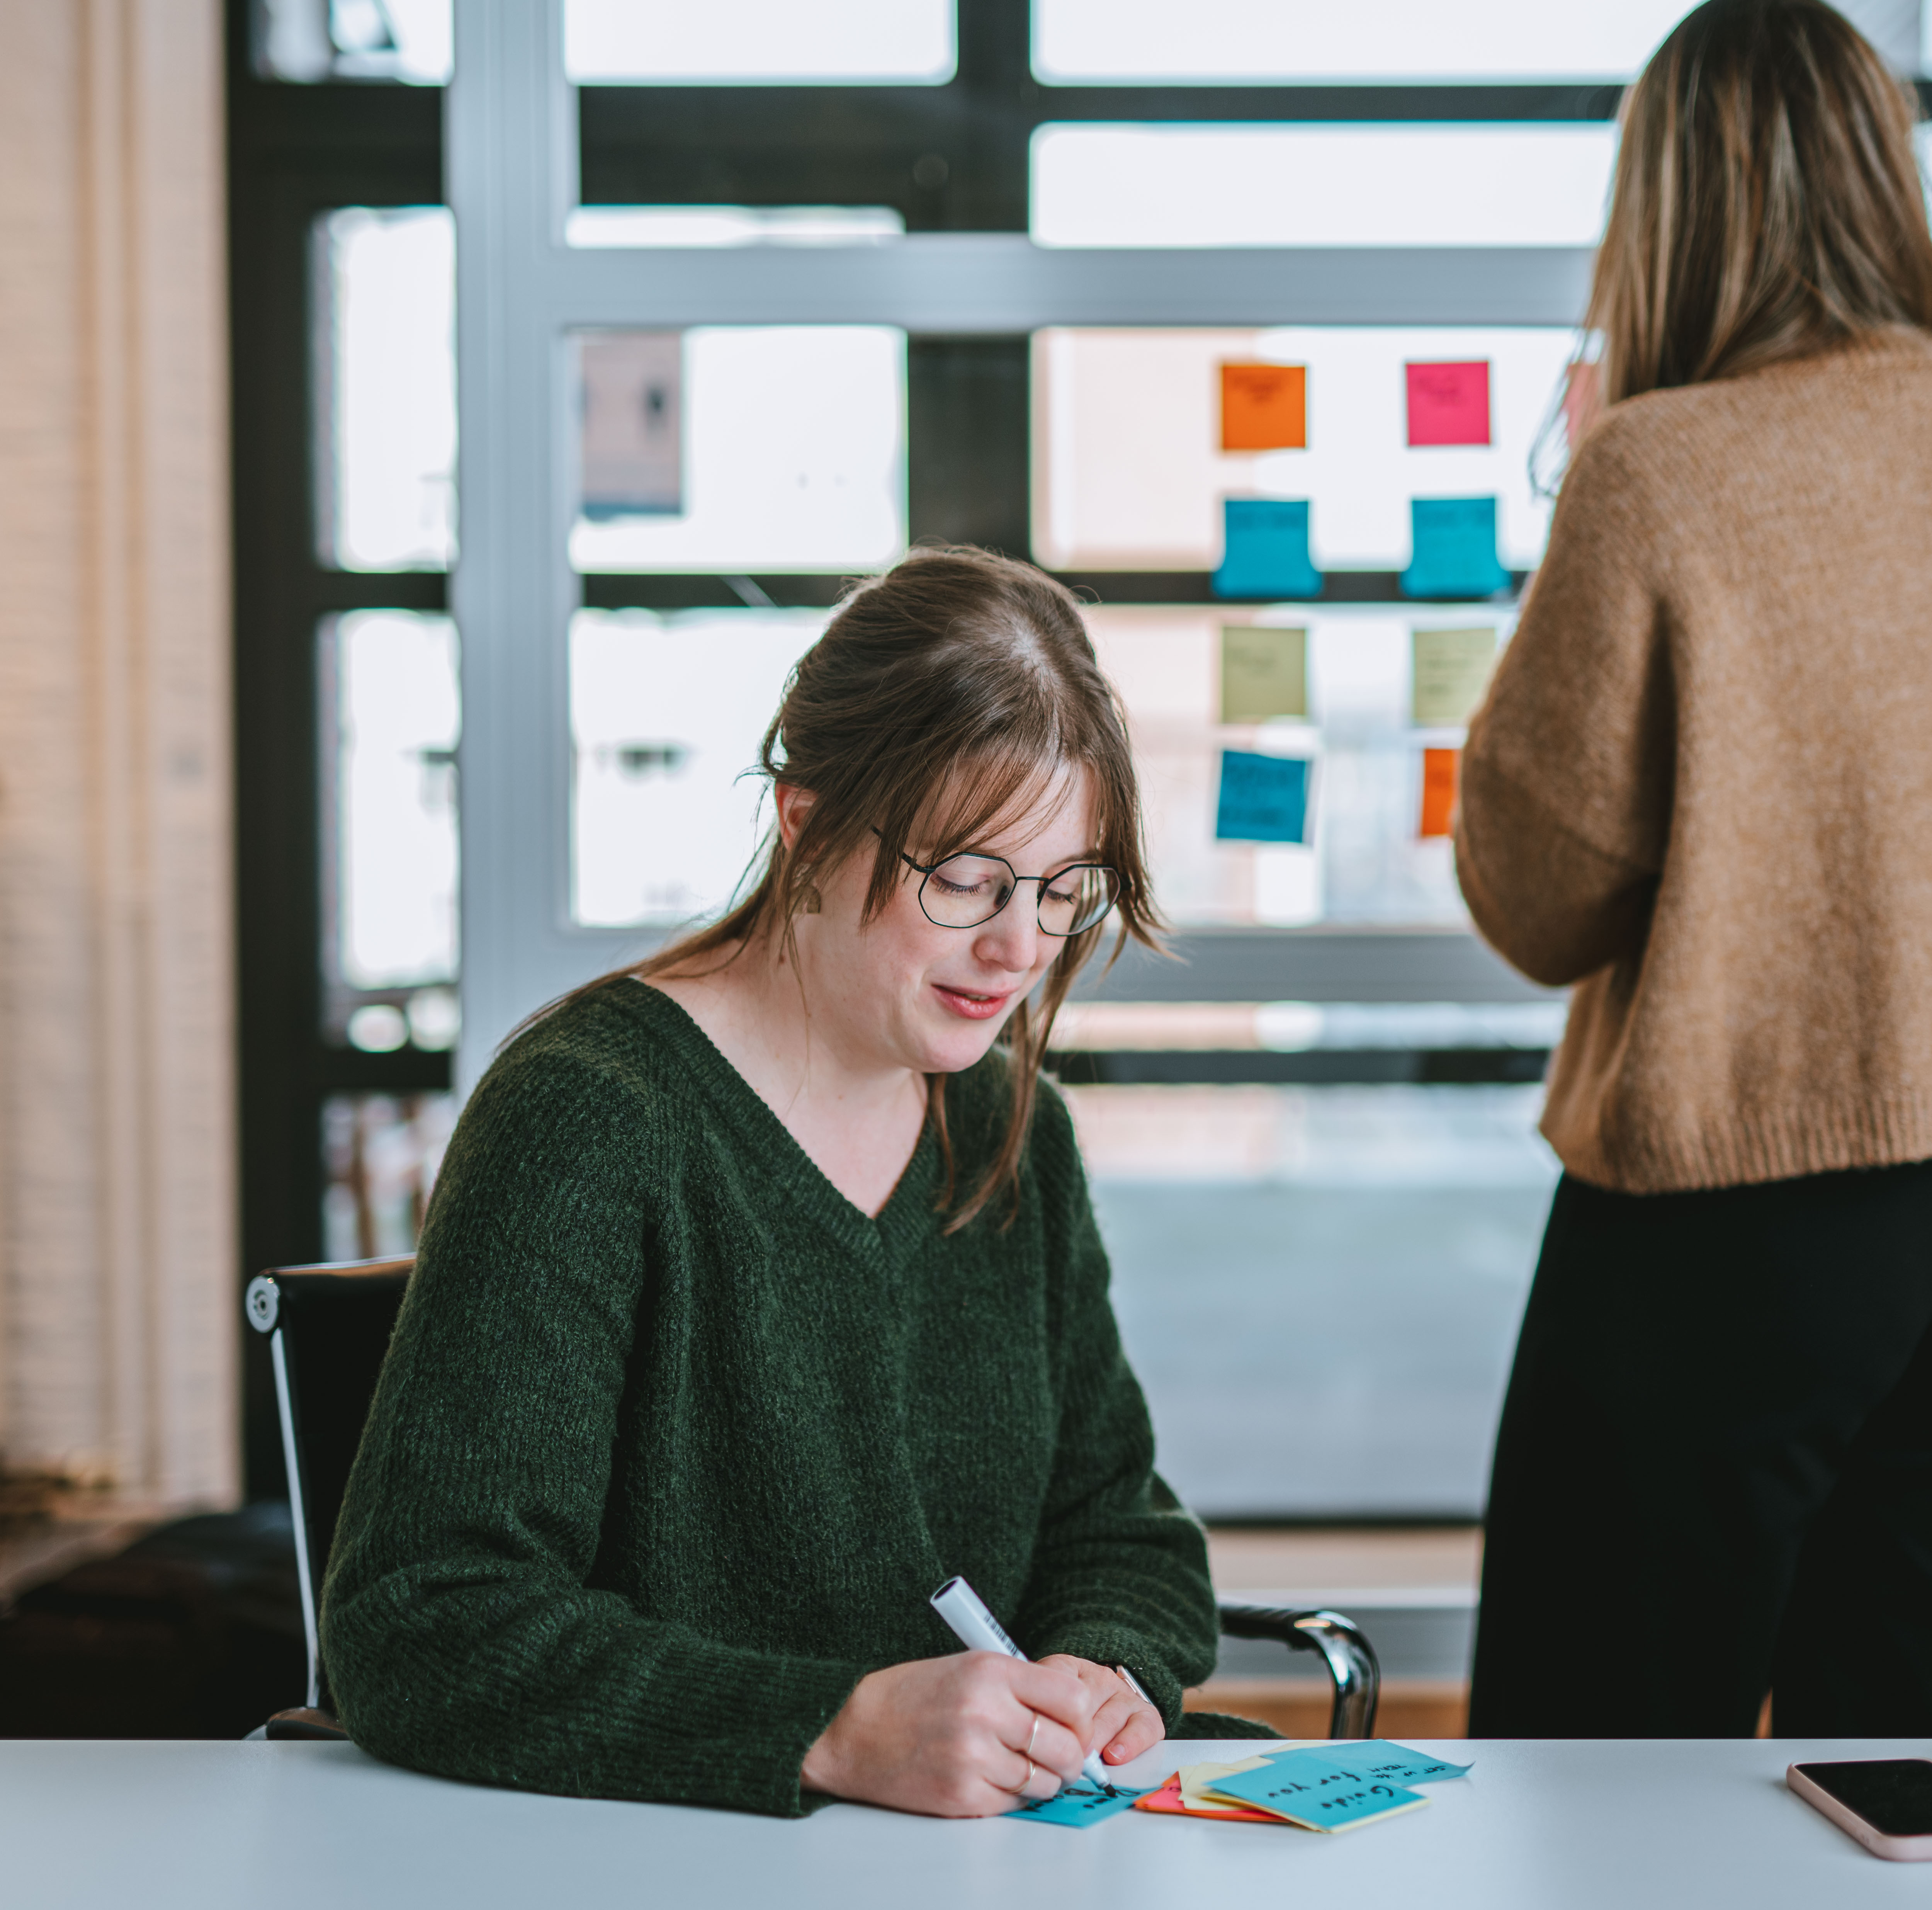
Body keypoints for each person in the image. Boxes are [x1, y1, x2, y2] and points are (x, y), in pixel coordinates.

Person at [1456, 0, 1932, 1738]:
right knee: (1910, 1768)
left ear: (1666, 207)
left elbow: (1530, 893)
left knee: (1593, 1757)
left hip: (1729, 1214)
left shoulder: (1659, 467)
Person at [321, 547, 1248, 1817]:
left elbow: (1119, 1523)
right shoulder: (592, 1120)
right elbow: (421, 1621)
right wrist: (829, 1729)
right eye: (967, 880)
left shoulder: (1011, 1132)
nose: (1018, 946)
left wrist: (1102, 1669)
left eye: (1061, 891)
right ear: (808, 821)